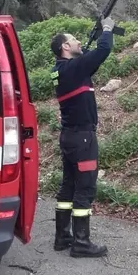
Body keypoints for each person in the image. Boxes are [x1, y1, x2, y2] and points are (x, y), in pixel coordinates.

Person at [50, 17, 115, 258]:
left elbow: (89, 64)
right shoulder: (74, 69)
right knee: (85, 187)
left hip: (69, 137)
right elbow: (103, 51)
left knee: (68, 185)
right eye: (74, 40)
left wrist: (89, 45)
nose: (78, 41)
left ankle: (62, 237)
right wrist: (107, 29)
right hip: (83, 139)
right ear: (65, 47)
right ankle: (81, 242)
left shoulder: (60, 71)